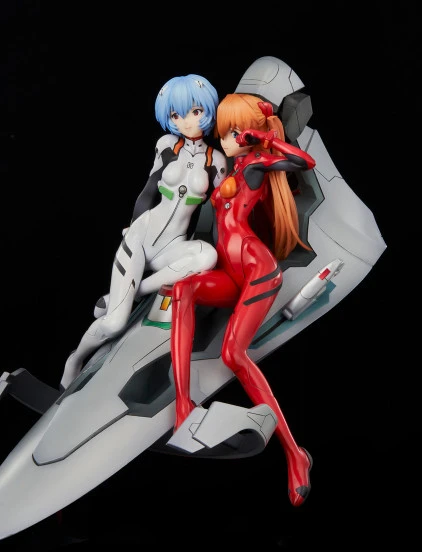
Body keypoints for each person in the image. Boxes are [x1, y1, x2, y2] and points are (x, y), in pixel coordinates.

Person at [169, 93, 316, 507]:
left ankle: (295, 454)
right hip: (231, 272)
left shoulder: (254, 164)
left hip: (257, 271)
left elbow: (304, 162)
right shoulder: (232, 167)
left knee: (234, 355)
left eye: (233, 132)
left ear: (249, 133)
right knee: (183, 290)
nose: (226, 139)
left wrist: (262, 139)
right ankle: (183, 407)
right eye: (224, 132)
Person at [60, 75, 227, 390]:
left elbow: (220, 211)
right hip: (142, 236)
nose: (186, 121)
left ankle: (129, 293)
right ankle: (75, 358)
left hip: (174, 245)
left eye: (194, 112)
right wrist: (131, 224)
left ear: (207, 110)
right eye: (176, 115)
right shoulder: (166, 145)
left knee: (207, 255)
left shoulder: (216, 161)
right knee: (114, 323)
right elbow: (149, 189)